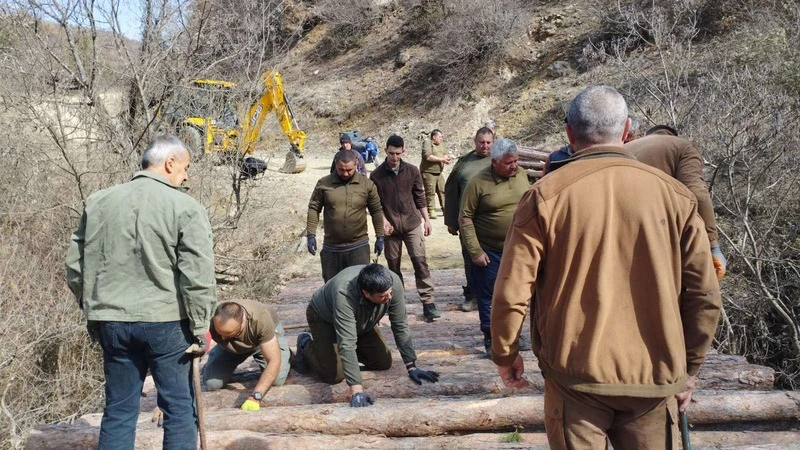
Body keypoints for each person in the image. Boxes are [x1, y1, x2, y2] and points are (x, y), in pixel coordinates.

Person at [490, 86, 721, 449]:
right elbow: (705, 295)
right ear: (628, 130)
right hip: (654, 378)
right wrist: (689, 369)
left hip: (575, 381)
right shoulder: (676, 197)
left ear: (569, 133)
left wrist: (505, 353)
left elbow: (512, 290)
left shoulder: (544, 196)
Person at [66, 134, 216, 450]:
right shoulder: (186, 207)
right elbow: (197, 275)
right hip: (167, 324)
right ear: (170, 162)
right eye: (185, 167)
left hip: (112, 322)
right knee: (178, 410)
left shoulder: (98, 201)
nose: (186, 176)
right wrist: (201, 326)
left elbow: (76, 268)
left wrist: (94, 309)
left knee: (119, 410)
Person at [292, 264, 440, 407]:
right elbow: (347, 342)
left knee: (382, 362)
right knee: (334, 375)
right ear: (366, 293)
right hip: (324, 319)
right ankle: (305, 344)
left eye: (390, 292)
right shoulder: (344, 293)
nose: (388, 297)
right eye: (382, 296)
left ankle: (345, 356)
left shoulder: (392, 283)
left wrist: (411, 366)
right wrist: (357, 390)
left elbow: (400, 325)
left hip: (362, 319)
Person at [458, 138, 529, 354]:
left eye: (516, 161)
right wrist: (475, 251)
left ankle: (513, 333)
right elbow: (465, 217)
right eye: (508, 163)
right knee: (489, 295)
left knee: (515, 295)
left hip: (517, 250)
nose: (513, 166)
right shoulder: (478, 183)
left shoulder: (523, 175)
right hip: (489, 251)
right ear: (494, 161)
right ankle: (491, 338)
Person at [626, 132, 727, 279]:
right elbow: (697, 193)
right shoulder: (682, 146)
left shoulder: (626, 148)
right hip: (658, 236)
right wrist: (713, 245)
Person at [370, 135, 440, 322]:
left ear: (404, 151)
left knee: (420, 262)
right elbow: (375, 205)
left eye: (398, 154)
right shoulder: (376, 175)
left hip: (412, 223)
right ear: (385, 150)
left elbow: (420, 196)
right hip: (391, 228)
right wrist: (383, 222)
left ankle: (428, 302)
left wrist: (426, 219)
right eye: (391, 153)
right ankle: (397, 304)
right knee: (393, 266)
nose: (394, 157)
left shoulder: (412, 171)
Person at [308, 149, 385, 281]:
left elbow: (376, 210)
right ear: (336, 165)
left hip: (358, 247)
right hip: (332, 248)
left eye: (349, 170)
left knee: (360, 286)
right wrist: (311, 235)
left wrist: (380, 236)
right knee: (332, 287)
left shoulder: (367, 184)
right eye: (341, 169)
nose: (345, 173)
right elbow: (314, 208)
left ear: (356, 165)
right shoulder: (323, 184)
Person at [203, 301, 291, 411]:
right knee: (212, 384)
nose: (222, 338)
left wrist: (256, 396)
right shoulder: (209, 316)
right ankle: (217, 355)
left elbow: (273, 360)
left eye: (228, 334)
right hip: (231, 347)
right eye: (219, 332)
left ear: (243, 322)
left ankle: (286, 352)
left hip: (262, 344)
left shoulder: (261, 319)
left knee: (277, 379)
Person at [443, 127, 494, 312]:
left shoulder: (498, 161)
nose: (485, 146)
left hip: (490, 221)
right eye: (482, 142)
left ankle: (492, 295)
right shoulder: (464, 162)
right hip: (467, 220)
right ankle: (472, 295)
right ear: (475, 141)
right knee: (470, 258)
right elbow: (451, 191)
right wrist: (451, 221)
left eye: (488, 142)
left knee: (493, 259)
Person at [419, 129, 451, 219]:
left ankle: (445, 209)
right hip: (428, 172)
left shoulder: (441, 145)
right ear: (434, 137)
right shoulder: (427, 143)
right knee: (430, 191)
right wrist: (442, 160)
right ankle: (431, 210)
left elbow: (445, 153)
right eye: (440, 137)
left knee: (443, 190)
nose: (441, 138)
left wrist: (445, 158)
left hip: (439, 172)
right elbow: (428, 156)